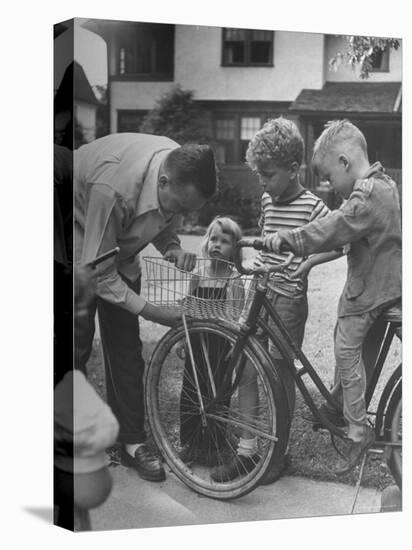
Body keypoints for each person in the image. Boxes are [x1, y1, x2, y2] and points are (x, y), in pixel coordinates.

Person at [74, 133, 217, 482]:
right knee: (75, 344)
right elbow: (100, 274)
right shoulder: (113, 188)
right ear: (163, 181)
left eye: (188, 211)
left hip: (113, 245)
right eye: (180, 208)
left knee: (126, 349)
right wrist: (157, 313)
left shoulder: (175, 166)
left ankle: (132, 442)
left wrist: (171, 243)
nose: (181, 215)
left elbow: (162, 217)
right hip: (70, 235)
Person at [263, 119, 402, 474]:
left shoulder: (366, 196)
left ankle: (356, 430)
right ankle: (340, 403)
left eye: (328, 176)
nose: (329, 186)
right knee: (353, 344)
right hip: (383, 288)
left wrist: (291, 239)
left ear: (344, 162)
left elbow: (336, 226)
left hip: (370, 293)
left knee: (346, 348)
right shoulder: (383, 184)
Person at [211, 118, 341, 484]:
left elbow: (340, 243)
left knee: (281, 373)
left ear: (293, 169)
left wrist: (307, 265)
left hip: (287, 301)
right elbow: (268, 239)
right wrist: (256, 262)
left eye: (267, 174)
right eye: (259, 175)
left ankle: (277, 455)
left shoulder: (313, 207)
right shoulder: (269, 200)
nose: (262, 183)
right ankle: (248, 450)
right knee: (247, 369)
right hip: (259, 294)